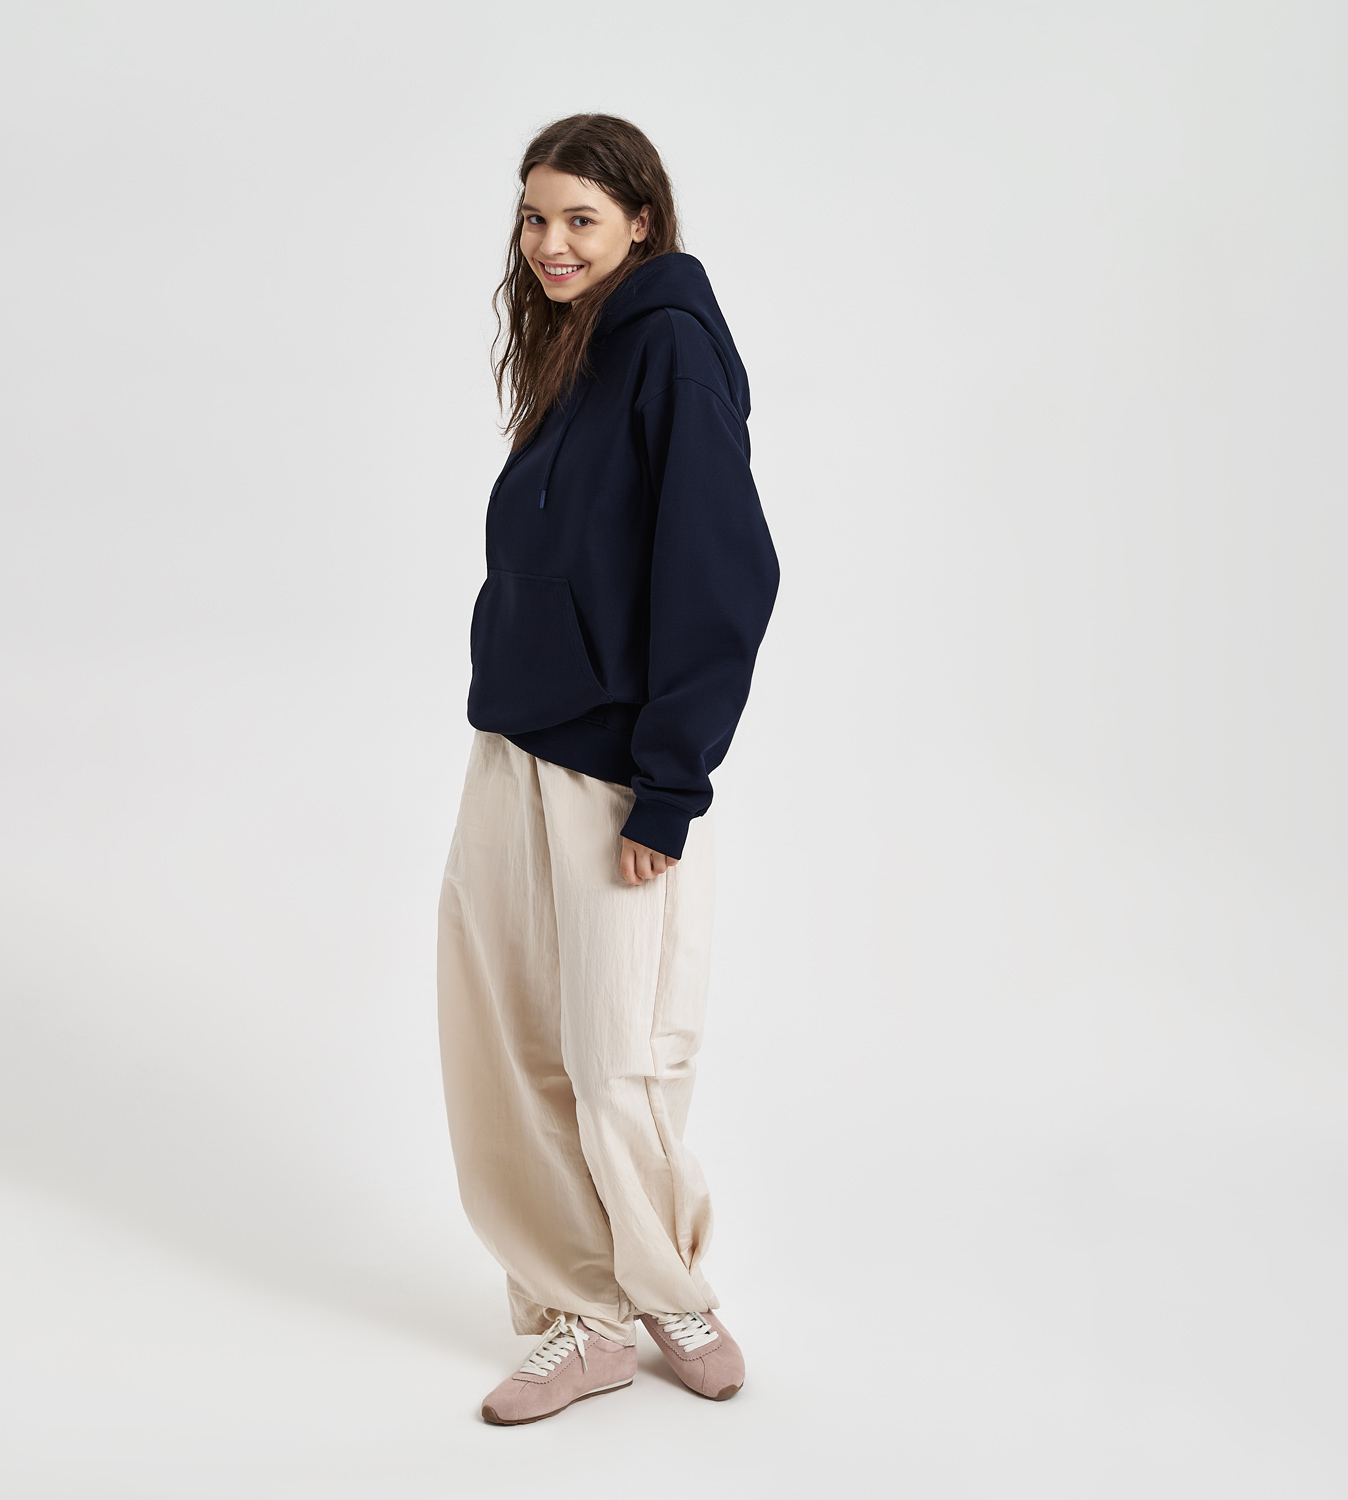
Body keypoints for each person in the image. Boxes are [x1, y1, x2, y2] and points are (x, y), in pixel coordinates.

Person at [437, 113, 779, 1427]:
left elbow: (722, 573)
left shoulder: (671, 346)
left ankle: (667, 1289)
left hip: (615, 766)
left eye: (581, 218)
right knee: (510, 1041)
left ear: (642, 221)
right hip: (513, 744)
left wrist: (670, 785)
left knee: (616, 1048)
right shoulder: (574, 347)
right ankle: (575, 1315)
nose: (551, 243)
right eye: (535, 217)